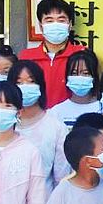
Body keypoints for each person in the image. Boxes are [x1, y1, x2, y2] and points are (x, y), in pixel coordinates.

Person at [8, 60, 69, 192]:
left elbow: (61, 178)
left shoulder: (56, 127)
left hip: (44, 201)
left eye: (31, 81)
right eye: (19, 82)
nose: (25, 87)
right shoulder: (3, 124)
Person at [21, 0, 87, 109]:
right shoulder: (26, 57)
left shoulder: (82, 55)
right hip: (36, 116)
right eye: (49, 21)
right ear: (41, 26)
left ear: (70, 25)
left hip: (72, 116)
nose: (55, 25)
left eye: (61, 20)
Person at [47, 50, 102, 128]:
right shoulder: (56, 112)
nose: (79, 77)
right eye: (74, 73)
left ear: (94, 77)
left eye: (85, 73)